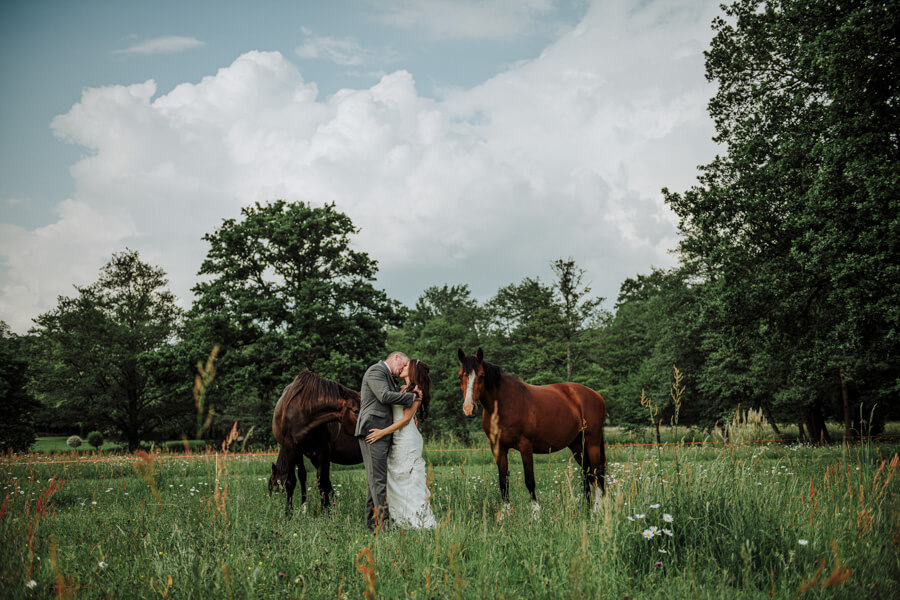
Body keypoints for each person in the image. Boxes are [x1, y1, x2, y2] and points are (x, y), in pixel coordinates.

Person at [365, 358, 436, 529]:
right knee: (395, 477)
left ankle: (419, 519)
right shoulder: (402, 389)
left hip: (407, 438)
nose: (403, 367)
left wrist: (382, 432)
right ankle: (401, 520)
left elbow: (404, 420)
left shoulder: (417, 391)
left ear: (413, 371)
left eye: (406, 366)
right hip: (396, 437)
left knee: (409, 477)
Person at [355, 351, 420, 531]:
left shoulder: (391, 378)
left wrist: (411, 414)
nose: (403, 369)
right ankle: (384, 525)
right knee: (378, 480)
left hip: (382, 432)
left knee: (375, 479)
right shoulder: (376, 370)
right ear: (396, 358)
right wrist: (413, 398)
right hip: (372, 430)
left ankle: (372, 523)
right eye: (403, 364)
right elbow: (384, 396)